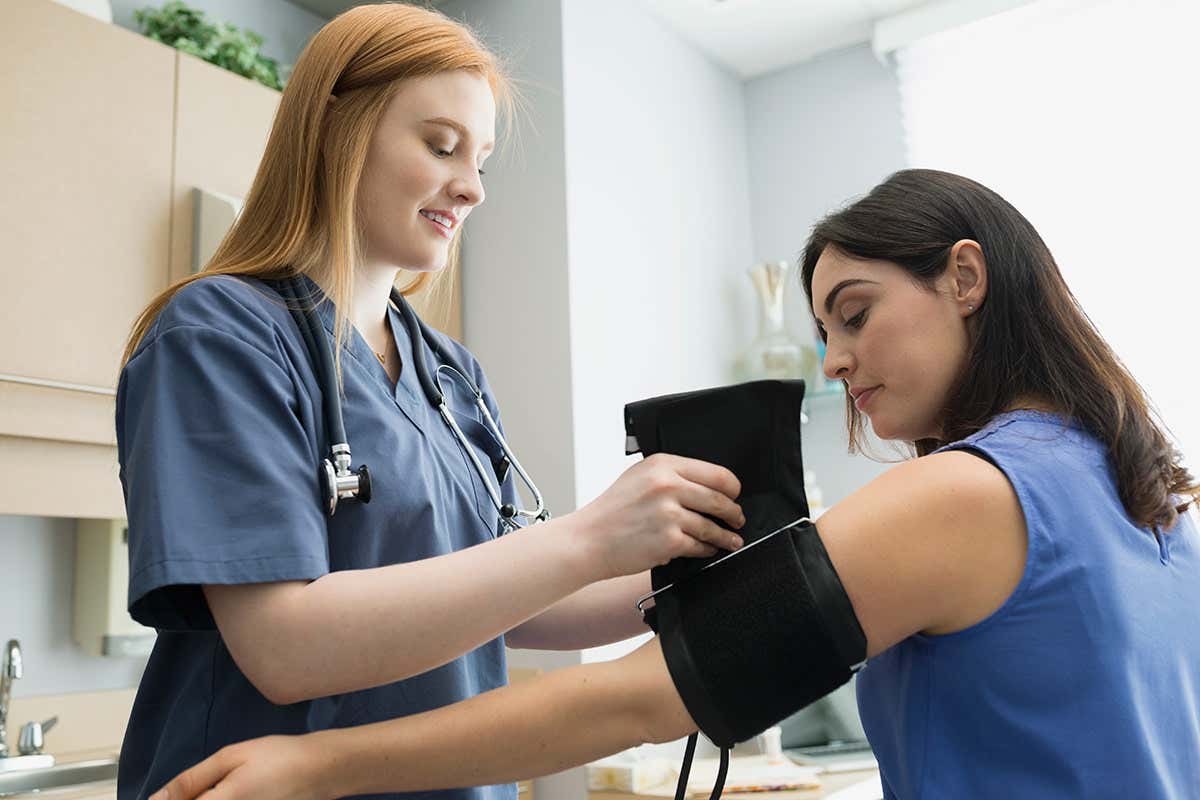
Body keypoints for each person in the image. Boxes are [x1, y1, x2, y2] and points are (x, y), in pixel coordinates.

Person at [151, 169, 1200, 800]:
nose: (832, 360)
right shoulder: (1150, 494)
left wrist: (313, 766)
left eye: (855, 310)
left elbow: (644, 696)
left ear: (965, 279)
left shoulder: (966, 494)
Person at [114, 6, 748, 800]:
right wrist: (591, 536)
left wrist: (696, 560)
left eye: (481, 159)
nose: (474, 188)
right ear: (334, 131)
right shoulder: (218, 336)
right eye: (442, 146)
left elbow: (510, 599)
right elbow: (284, 649)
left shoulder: (450, 373)